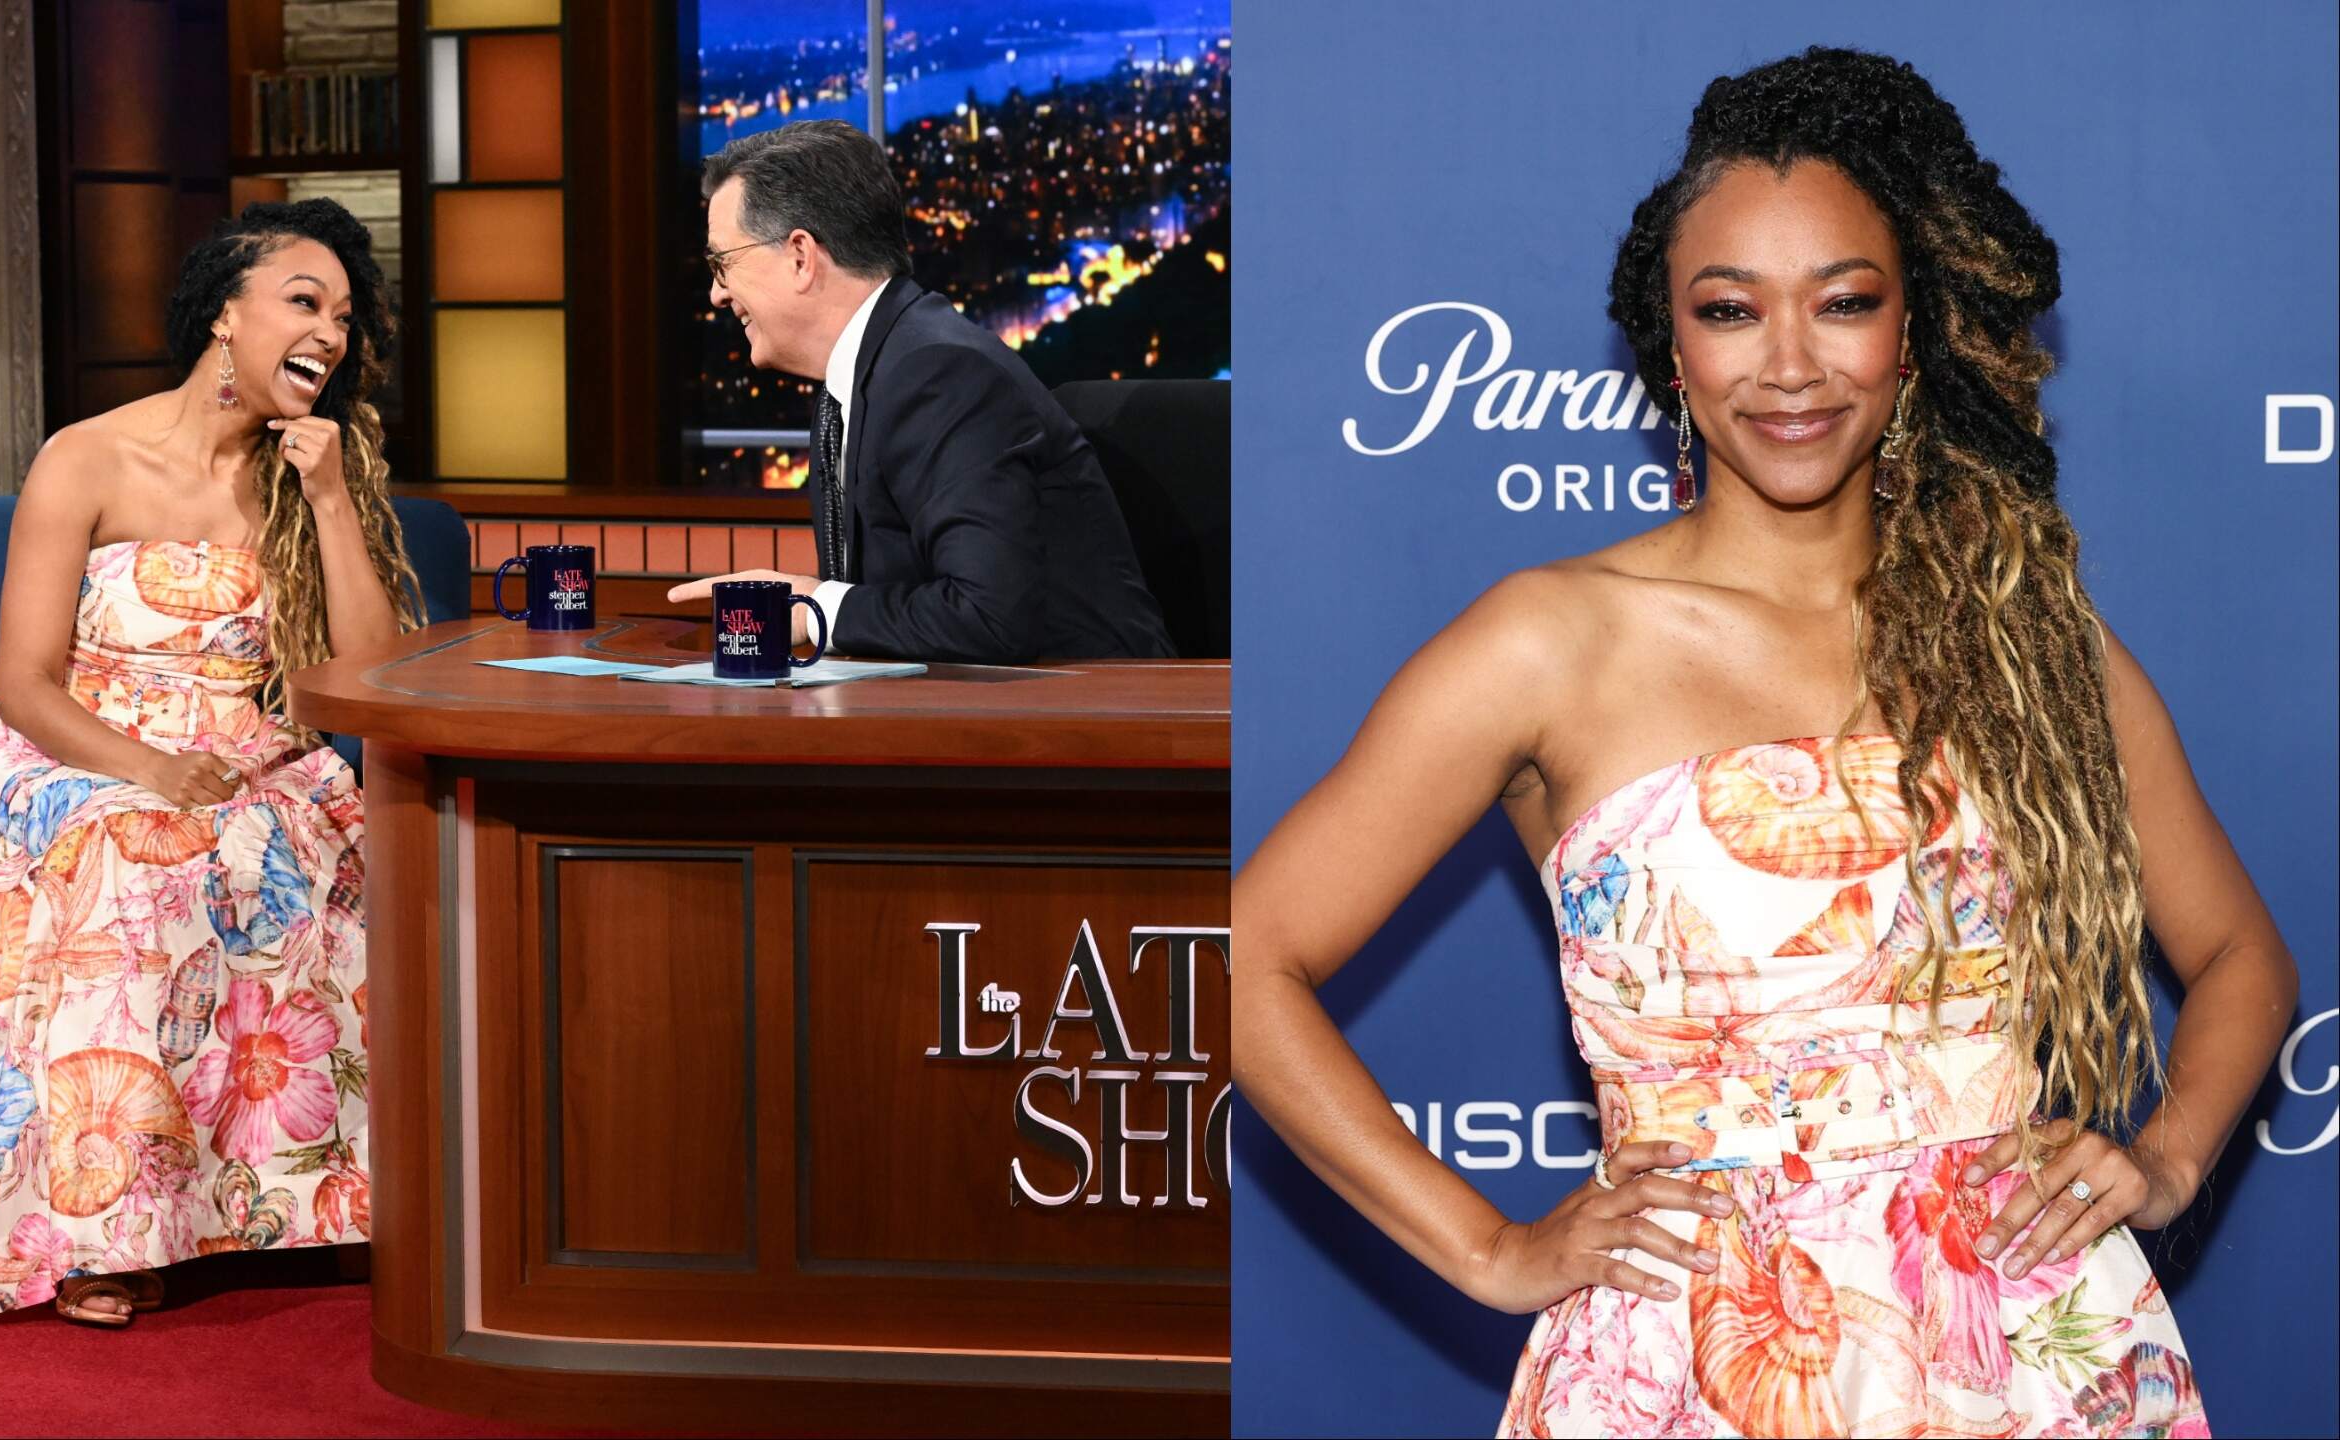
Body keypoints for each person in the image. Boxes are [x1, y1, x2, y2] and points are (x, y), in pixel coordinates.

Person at [1232, 48, 2291, 1438]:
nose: (1790, 366)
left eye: (1844, 304)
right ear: (1670, 343)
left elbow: (2242, 959)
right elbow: (1247, 961)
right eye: (1731, 311)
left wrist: (2163, 1159)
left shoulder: (2027, 639)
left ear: (1908, 329)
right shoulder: (1554, 640)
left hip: (2027, 1354)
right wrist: (1491, 1249)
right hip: (1696, 1359)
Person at [0, 199, 417, 1325]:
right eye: (305, 302)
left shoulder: (316, 473)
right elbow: (24, 679)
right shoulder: (87, 456)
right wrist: (148, 770)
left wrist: (325, 498)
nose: (331, 331)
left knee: (228, 859)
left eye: (346, 317)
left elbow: (361, 677)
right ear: (226, 314)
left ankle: (250, 1206)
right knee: (99, 857)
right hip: (68, 740)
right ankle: (93, 1230)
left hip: (248, 750)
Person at [665, 119, 1176, 665]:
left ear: (800, 256)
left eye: (724, 264)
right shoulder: (862, 379)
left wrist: (815, 607)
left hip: (1088, 719)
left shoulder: (938, 373)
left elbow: (987, 616)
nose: (718, 294)